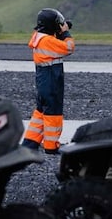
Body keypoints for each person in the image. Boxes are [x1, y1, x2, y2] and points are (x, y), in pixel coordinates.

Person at [21, 8, 75, 154]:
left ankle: (30, 142)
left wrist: (59, 31)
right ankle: (51, 146)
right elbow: (69, 48)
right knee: (53, 112)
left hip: (42, 81)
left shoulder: (38, 37)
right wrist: (65, 33)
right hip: (52, 82)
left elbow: (52, 41)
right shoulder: (48, 41)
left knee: (41, 111)